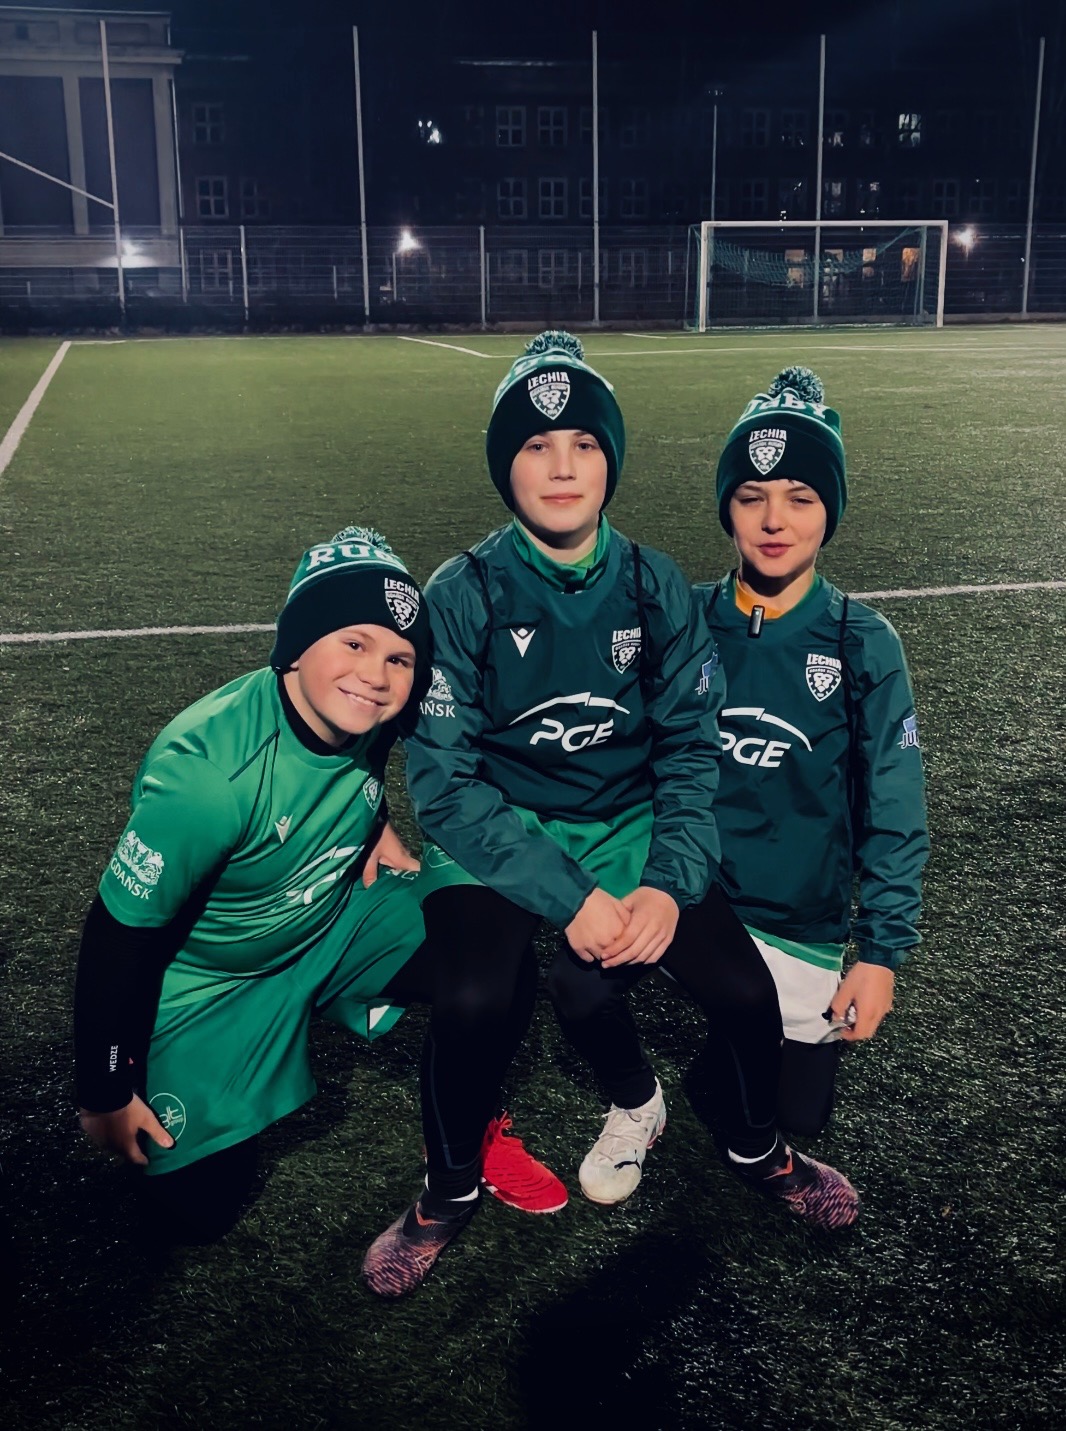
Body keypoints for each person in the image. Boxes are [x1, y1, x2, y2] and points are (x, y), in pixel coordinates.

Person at [361, 334, 858, 1300]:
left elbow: (690, 751)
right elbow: (448, 785)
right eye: (536, 445)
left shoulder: (653, 584)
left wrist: (668, 883)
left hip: (628, 824)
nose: (561, 466)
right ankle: (447, 1188)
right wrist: (571, 895)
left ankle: (760, 1150)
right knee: (471, 1001)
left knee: (744, 992)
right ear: (505, 465)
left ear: (610, 461)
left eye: (583, 444)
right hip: (504, 826)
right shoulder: (460, 593)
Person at [74, 525, 559, 1242]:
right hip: (217, 979)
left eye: (399, 657)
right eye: (354, 642)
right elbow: (119, 939)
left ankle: (470, 1127)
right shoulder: (207, 777)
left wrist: (374, 824)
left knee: (498, 952)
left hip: (332, 918)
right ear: (297, 645)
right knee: (194, 1208)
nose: (377, 674)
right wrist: (105, 1088)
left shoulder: (371, 708)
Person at [698, 366, 929, 1135]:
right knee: (583, 987)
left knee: (792, 1116)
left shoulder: (863, 641)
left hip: (799, 917)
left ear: (829, 510)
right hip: (689, 904)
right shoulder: (681, 620)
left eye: (800, 497)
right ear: (727, 508)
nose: (774, 520)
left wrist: (881, 952)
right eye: (751, 496)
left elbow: (895, 804)